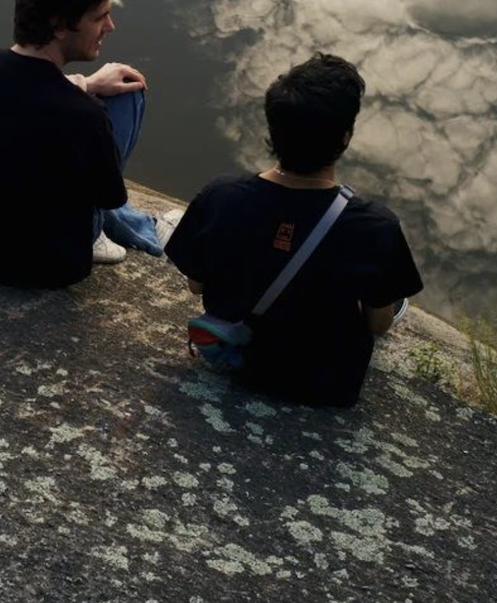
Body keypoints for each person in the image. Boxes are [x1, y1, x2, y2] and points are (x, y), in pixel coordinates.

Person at [165, 53, 423, 407]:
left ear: (273, 129)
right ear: (345, 137)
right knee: (385, 298)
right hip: (324, 384)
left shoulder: (220, 196)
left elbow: (196, 285)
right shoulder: (375, 227)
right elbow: (378, 326)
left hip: (236, 359)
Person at [0, 0, 165, 289]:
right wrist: (85, 95)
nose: (110, 26)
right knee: (128, 94)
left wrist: (85, 84)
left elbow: (28, 94)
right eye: (98, 17)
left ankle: (135, 226)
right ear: (60, 24)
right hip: (50, 267)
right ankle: (134, 229)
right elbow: (109, 198)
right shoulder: (82, 114)